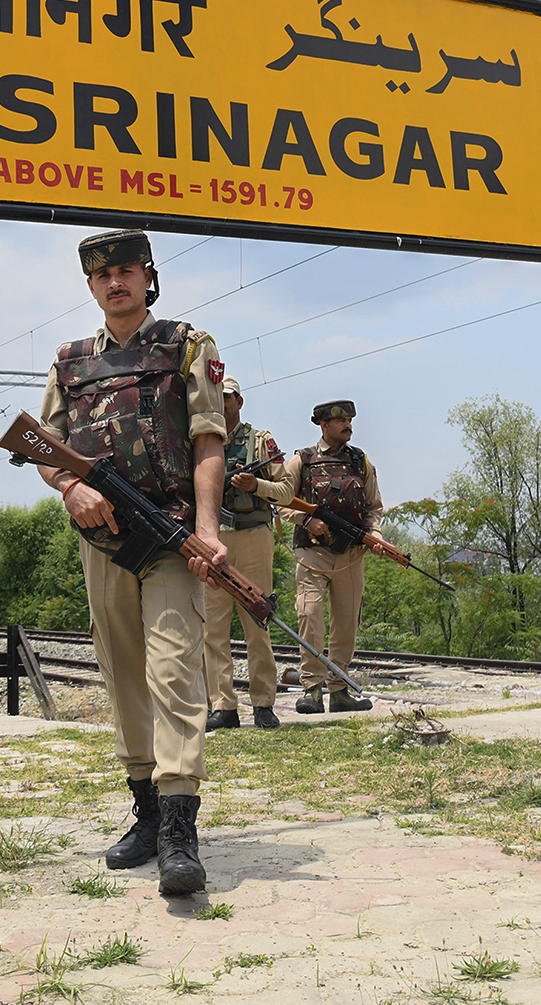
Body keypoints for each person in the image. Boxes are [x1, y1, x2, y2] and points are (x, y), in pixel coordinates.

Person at [36, 229, 227, 896]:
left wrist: (206, 530)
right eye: (103, 275)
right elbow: (45, 447)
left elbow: (208, 438)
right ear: (91, 286)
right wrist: (70, 486)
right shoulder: (70, 360)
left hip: (171, 535)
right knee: (122, 675)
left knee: (174, 669)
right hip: (105, 542)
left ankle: (180, 828)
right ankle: (146, 813)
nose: (115, 282)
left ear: (149, 277)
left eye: (126, 270)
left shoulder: (185, 345)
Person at [280, 400, 382, 714]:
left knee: (347, 623)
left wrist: (375, 535)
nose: (348, 425)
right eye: (341, 421)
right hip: (312, 554)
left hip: (350, 555)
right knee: (310, 616)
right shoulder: (302, 461)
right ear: (324, 425)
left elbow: (373, 507)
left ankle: (340, 691)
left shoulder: (360, 461)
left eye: (350, 419)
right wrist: (306, 520)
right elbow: (282, 503)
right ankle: (311, 688)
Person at [204, 377, 288, 731]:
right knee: (213, 628)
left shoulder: (260, 442)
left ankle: (263, 703)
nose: (221, 405)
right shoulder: (202, 442)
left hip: (253, 535)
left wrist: (256, 486)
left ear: (239, 400)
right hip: (213, 538)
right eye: (215, 399)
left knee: (258, 621)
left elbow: (285, 491)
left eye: (226, 398)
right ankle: (223, 706)